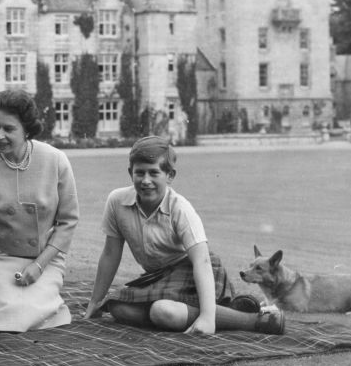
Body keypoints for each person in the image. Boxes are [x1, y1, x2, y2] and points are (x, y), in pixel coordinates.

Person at [82, 136, 285, 336]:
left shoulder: (180, 208)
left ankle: (254, 320)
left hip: (195, 271)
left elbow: (202, 261)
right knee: (117, 307)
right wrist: (94, 302)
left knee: (163, 311)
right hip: (158, 276)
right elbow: (110, 253)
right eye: (139, 173)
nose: (146, 181)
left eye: (154, 173)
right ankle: (227, 311)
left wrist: (206, 318)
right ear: (130, 173)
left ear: (170, 176)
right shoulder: (117, 201)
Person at [0, 89, 79, 332]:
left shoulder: (56, 161)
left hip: (45, 259)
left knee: (36, 311)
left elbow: (68, 221)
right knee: (8, 311)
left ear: (27, 129)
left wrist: (39, 265)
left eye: (8, 129)